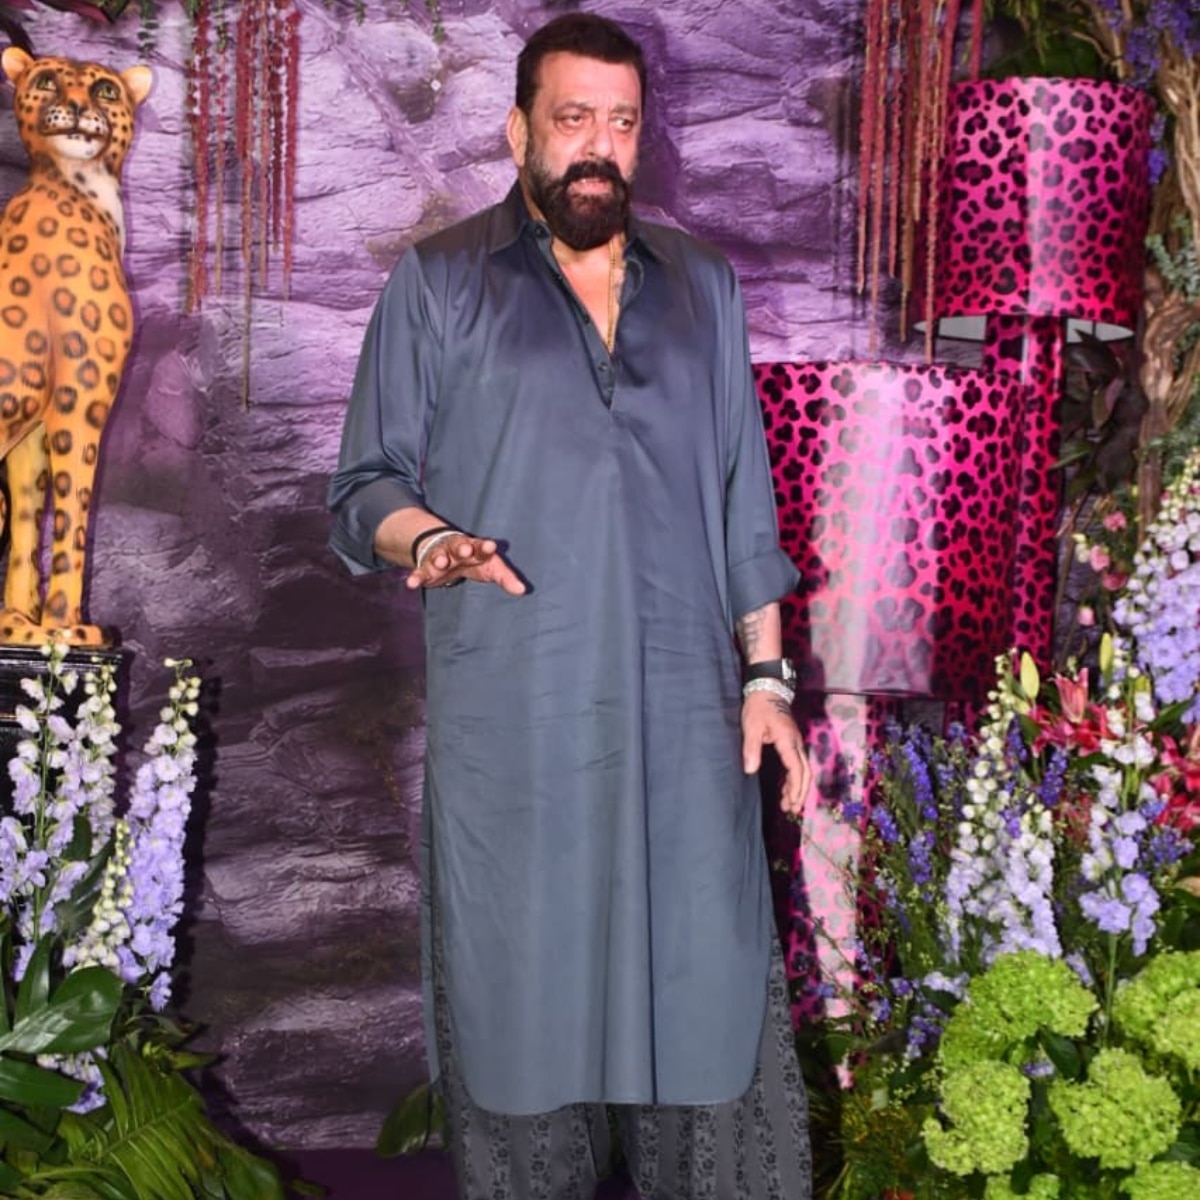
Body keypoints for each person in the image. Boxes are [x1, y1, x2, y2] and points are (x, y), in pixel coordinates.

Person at [329, 13, 812, 1199]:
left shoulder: (703, 287)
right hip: (520, 740)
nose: (597, 146)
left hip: (686, 738)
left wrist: (766, 682)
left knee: (706, 1018)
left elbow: (743, 505)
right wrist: (432, 540)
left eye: (621, 122)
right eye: (572, 119)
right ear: (519, 131)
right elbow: (364, 489)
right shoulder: (441, 281)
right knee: (524, 1032)